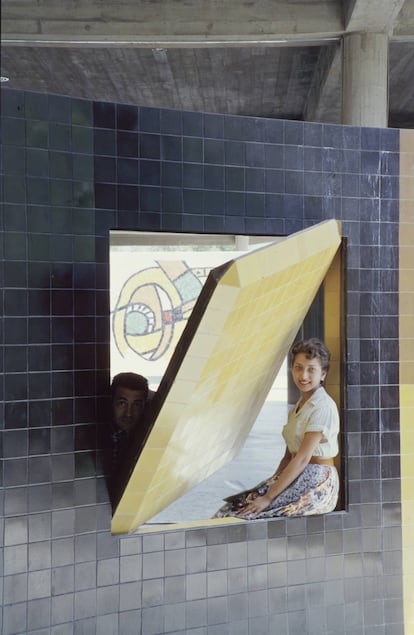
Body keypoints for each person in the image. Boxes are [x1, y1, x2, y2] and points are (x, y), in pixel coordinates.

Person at [214, 338, 340, 520]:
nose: (303, 376)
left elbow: (302, 459)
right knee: (234, 507)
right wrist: (269, 484)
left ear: (323, 374)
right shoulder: (299, 406)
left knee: (246, 515)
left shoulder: (323, 407)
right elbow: (288, 457)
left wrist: (268, 497)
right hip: (296, 473)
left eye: (311, 370)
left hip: (317, 481)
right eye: (298, 367)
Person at [110, 372, 152, 475]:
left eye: (136, 405)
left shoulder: (148, 433)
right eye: (122, 403)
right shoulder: (99, 437)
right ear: (111, 402)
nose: (128, 413)